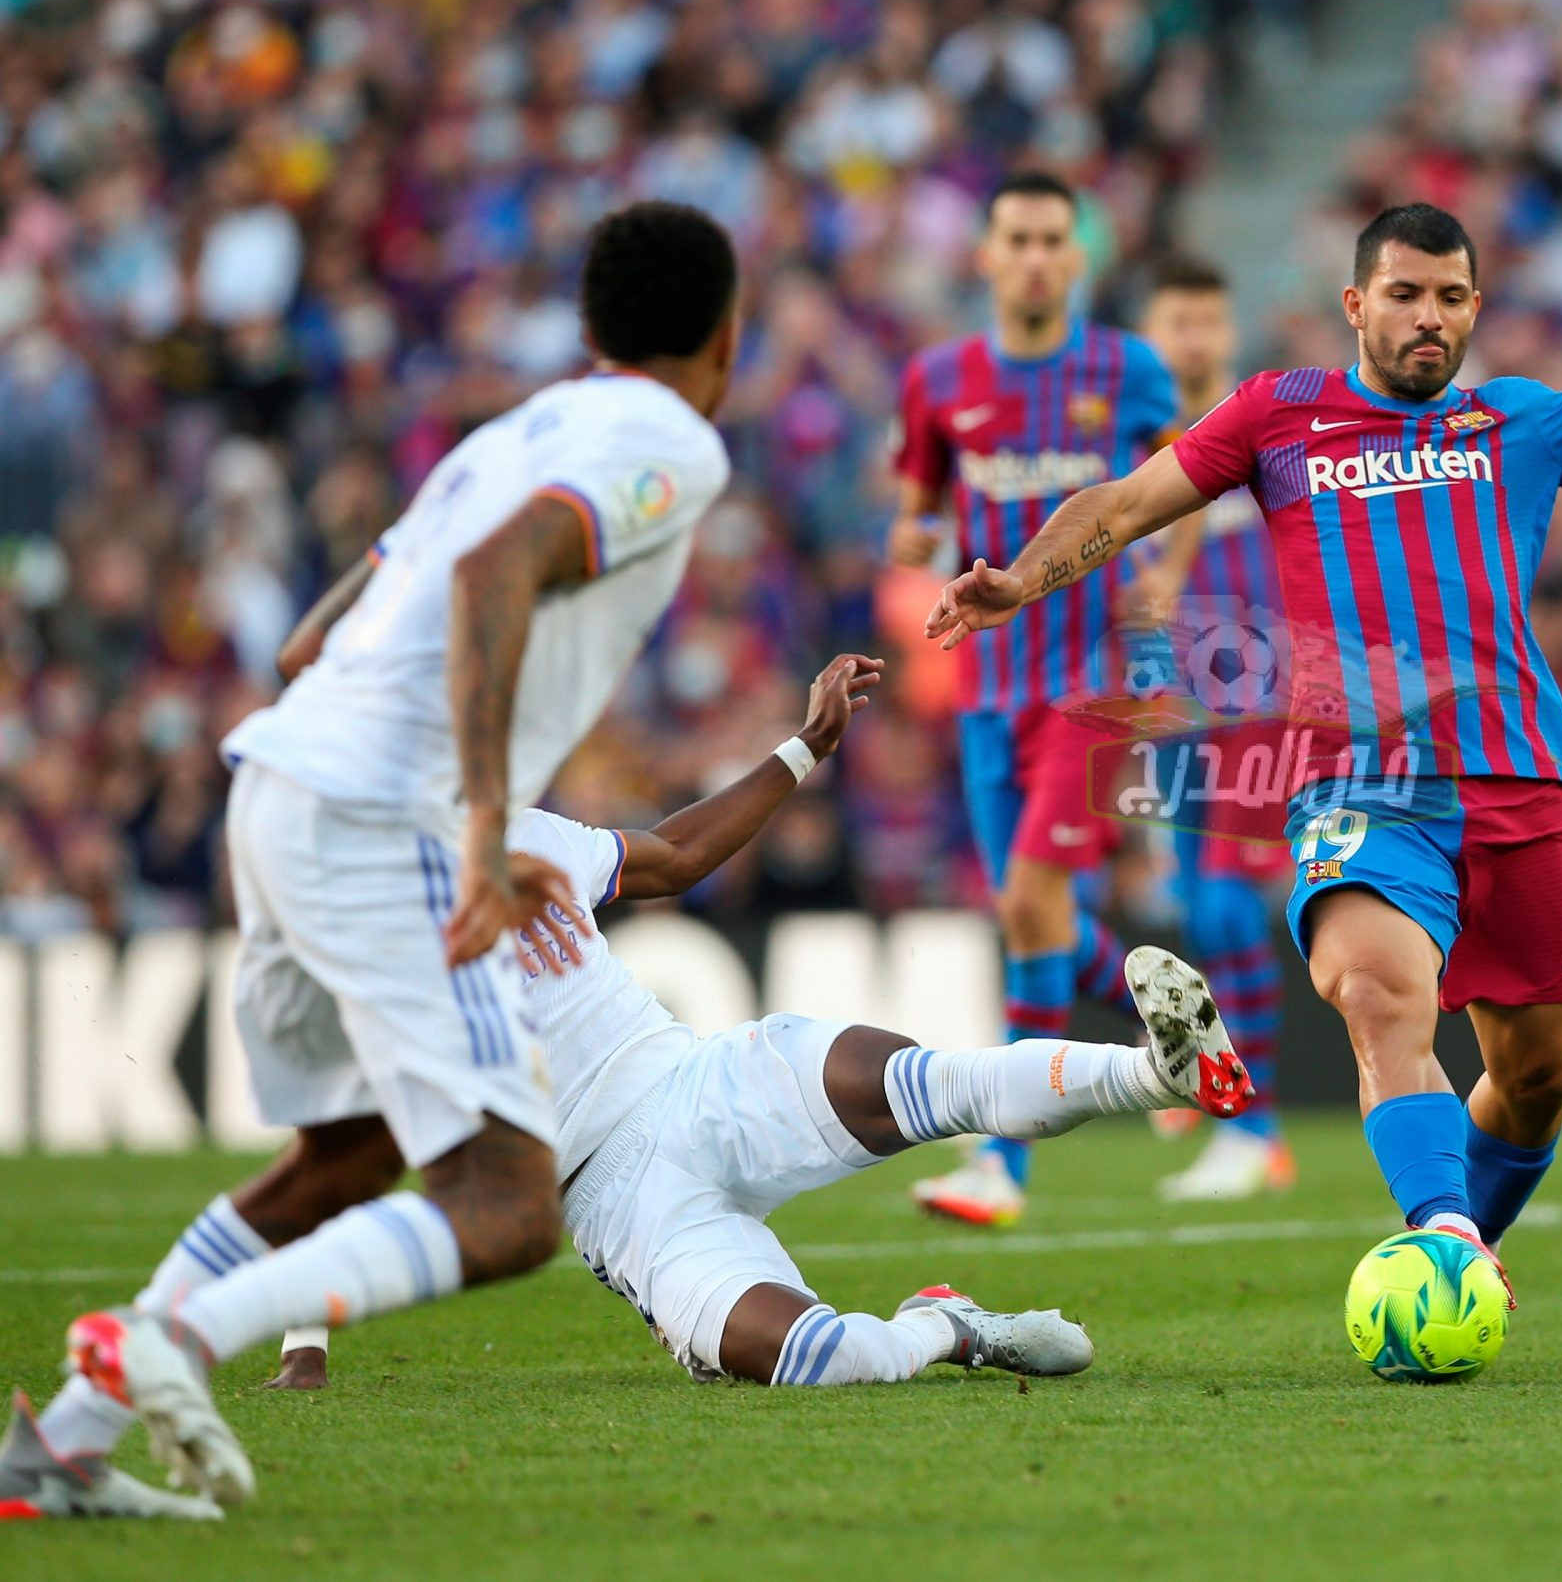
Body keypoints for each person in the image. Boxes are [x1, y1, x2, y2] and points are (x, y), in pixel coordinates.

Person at [925, 160, 1562, 1310]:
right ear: (1358, 305)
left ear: (1474, 310)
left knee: (1537, 1073)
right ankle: (1441, 1228)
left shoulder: (1519, 422)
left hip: (1515, 774)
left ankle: (1458, 1247)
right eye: (1404, 295)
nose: (1427, 317)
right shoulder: (1277, 413)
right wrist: (1020, 582)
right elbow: (1124, 502)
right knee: (1374, 991)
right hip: (1359, 779)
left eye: (1450, 297)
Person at [4, 202, 742, 1517]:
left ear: (585, 328)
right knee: (511, 1203)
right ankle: (171, 1337)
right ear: (726, 335)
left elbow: (319, 637)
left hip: (280, 782)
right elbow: (495, 572)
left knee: (340, 1161)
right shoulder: (668, 441)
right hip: (376, 812)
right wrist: (481, 827)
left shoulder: (515, 430)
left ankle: (57, 1445)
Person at [256, 656, 1254, 1394]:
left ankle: (1160, 1077)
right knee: (816, 1361)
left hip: (695, 1079)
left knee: (918, 1080)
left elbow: (678, 855)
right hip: (618, 1202)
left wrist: (802, 747)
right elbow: (331, 1164)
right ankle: (948, 1330)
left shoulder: (517, 837)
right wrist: (304, 1349)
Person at [889, 171, 1185, 1228]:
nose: (1031, 257)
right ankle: (1172, 1017)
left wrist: (1169, 579)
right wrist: (912, 541)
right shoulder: (937, 381)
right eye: (1014, 237)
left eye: (1051, 239)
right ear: (983, 253)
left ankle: (1002, 1165)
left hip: (1098, 683)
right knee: (1033, 910)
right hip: (987, 691)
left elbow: (1181, 482)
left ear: (1077, 257)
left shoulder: (1129, 370)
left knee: (1025, 903)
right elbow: (918, 499)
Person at [1138, 254, 1296, 1200]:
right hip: (1171, 703)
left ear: (1227, 333)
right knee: (1196, 910)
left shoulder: (1265, 430)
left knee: (1232, 907)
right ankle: (1221, 1103)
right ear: (1154, 334)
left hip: (1257, 695)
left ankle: (1258, 1125)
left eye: (1207, 319)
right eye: (1177, 319)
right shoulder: (1135, 441)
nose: (1193, 336)